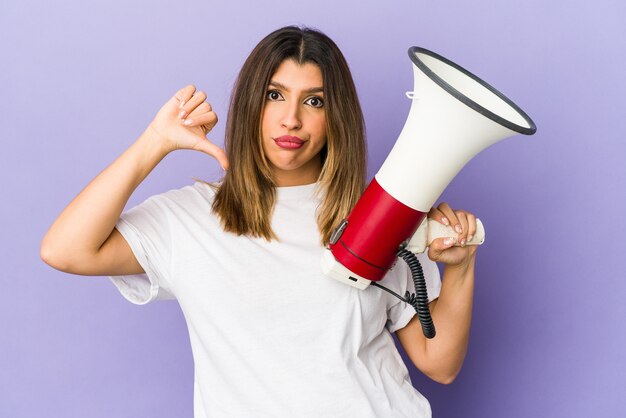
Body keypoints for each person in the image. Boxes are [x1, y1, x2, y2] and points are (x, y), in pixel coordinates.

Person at [41, 26, 478, 417]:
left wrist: (459, 268)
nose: (292, 118)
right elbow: (64, 250)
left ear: (335, 118)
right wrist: (154, 142)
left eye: (314, 101)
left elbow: (439, 364)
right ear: (251, 104)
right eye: (274, 95)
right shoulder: (189, 218)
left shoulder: (375, 218)